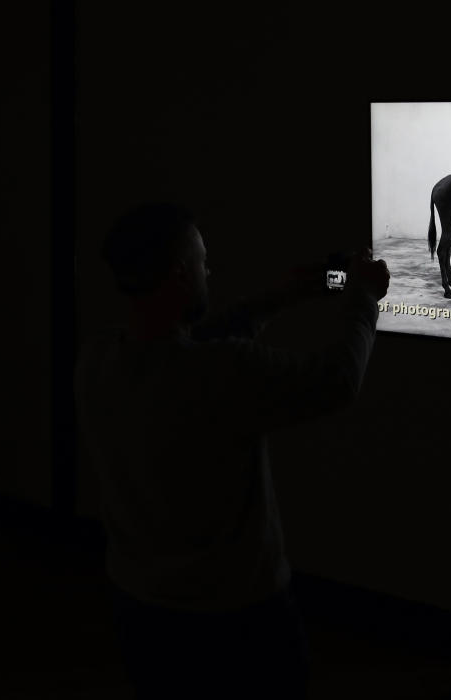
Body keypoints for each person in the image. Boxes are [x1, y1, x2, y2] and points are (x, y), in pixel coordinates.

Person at [73, 203, 389, 699]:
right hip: (236, 614)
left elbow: (189, 347)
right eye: (202, 261)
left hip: (137, 605)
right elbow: (338, 381)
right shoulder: (221, 371)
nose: (210, 270)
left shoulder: (97, 359)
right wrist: (365, 296)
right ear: (180, 273)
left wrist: (287, 294)